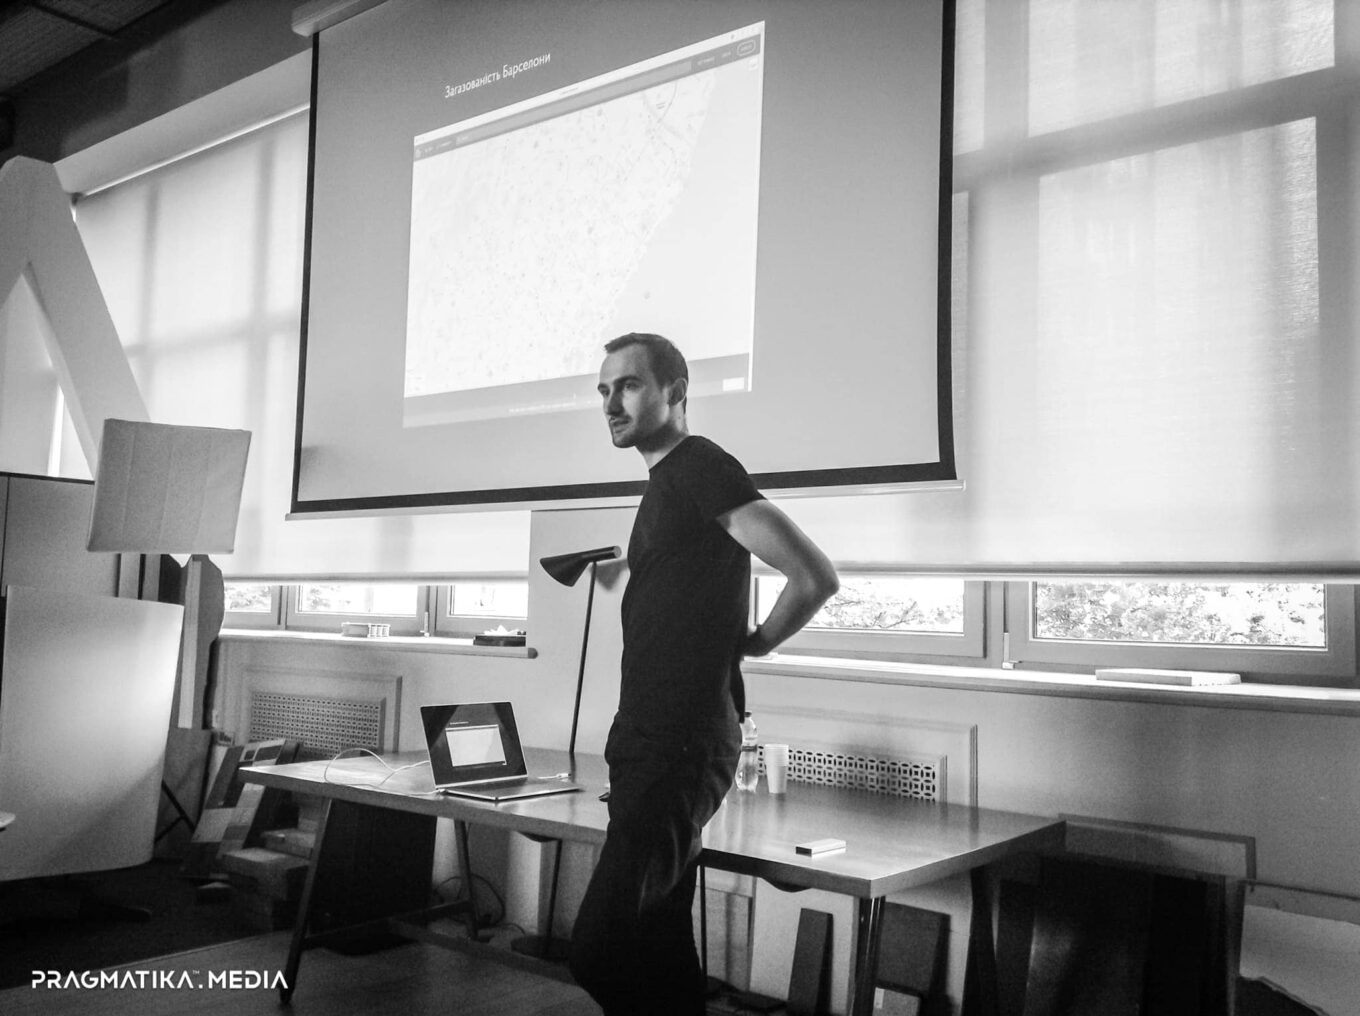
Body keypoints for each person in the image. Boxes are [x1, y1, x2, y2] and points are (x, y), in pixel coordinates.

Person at [568, 332, 839, 1016]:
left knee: (600, 950)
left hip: (679, 743)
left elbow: (813, 575)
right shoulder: (669, 482)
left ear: (676, 392)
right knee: (659, 945)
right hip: (651, 737)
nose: (612, 403)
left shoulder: (699, 466)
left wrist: (760, 641)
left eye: (629, 385)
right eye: (604, 390)